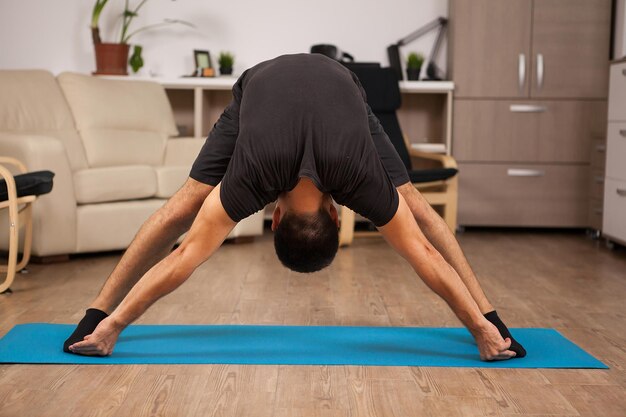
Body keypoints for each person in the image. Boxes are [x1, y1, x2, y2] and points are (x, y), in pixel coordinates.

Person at [64, 54, 526, 361]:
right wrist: (479, 331)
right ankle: (493, 323)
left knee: (183, 206)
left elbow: (184, 256)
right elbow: (424, 254)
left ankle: (96, 316)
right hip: (329, 83)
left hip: (282, 81)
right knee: (418, 209)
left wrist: (116, 325)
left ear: (276, 215)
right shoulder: (257, 183)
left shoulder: (343, 180)